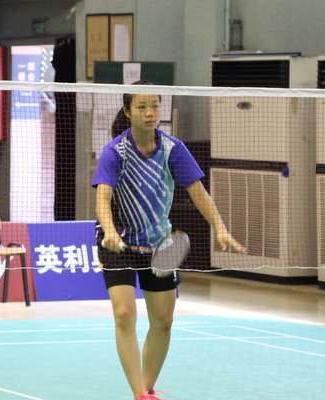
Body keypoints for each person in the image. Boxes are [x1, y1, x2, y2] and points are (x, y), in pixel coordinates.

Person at [93, 87, 244, 400]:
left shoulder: (174, 149)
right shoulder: (115, 152)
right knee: (124, 315)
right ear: (128, 112)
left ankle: (146, 388)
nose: (150, 113)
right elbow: (103, 198)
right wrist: (109, 231)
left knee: (163, 321)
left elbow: (198, 192)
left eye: (154, 106)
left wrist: (219, 227)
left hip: (159, 244)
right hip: (118, 243)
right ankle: (139, 393)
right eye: (141, 107)